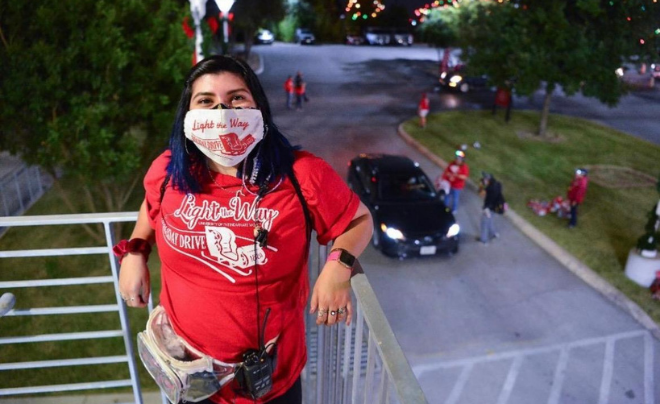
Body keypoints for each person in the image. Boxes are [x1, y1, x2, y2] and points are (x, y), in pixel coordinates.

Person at [116, 55, 373, 404]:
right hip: (188, 372)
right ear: (188, 116)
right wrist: (136, 251)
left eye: (237, 98)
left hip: (267, 380)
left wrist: (339, 266)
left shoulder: (302, 175)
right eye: (206, 101)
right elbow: (151, 207)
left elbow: (359, 220)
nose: (222, 111)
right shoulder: (169, 170)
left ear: (259, 110)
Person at [438, 150, 470, 214]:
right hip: (449, 184)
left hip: (457, 186)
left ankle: (454, 209)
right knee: (447, 196)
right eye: (456, 158)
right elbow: (446, 171)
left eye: (459, 159)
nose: (457, 160)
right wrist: (447, 175)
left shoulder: (464, 167)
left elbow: (465, 177)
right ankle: (444, 207)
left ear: (462, 160)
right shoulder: (452, 163)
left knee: (455, 198)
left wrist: (457, 175)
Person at [478, 172, 504, 244]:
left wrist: (481, 185)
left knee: (484, 223)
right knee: (490, 221)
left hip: (489, 208)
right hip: (496, 206)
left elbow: (481, 194)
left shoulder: (489, 188)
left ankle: (483, 239)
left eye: (485, 179)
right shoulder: (498, 184)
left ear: (488, 180)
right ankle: (494, 234)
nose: (483, 180)